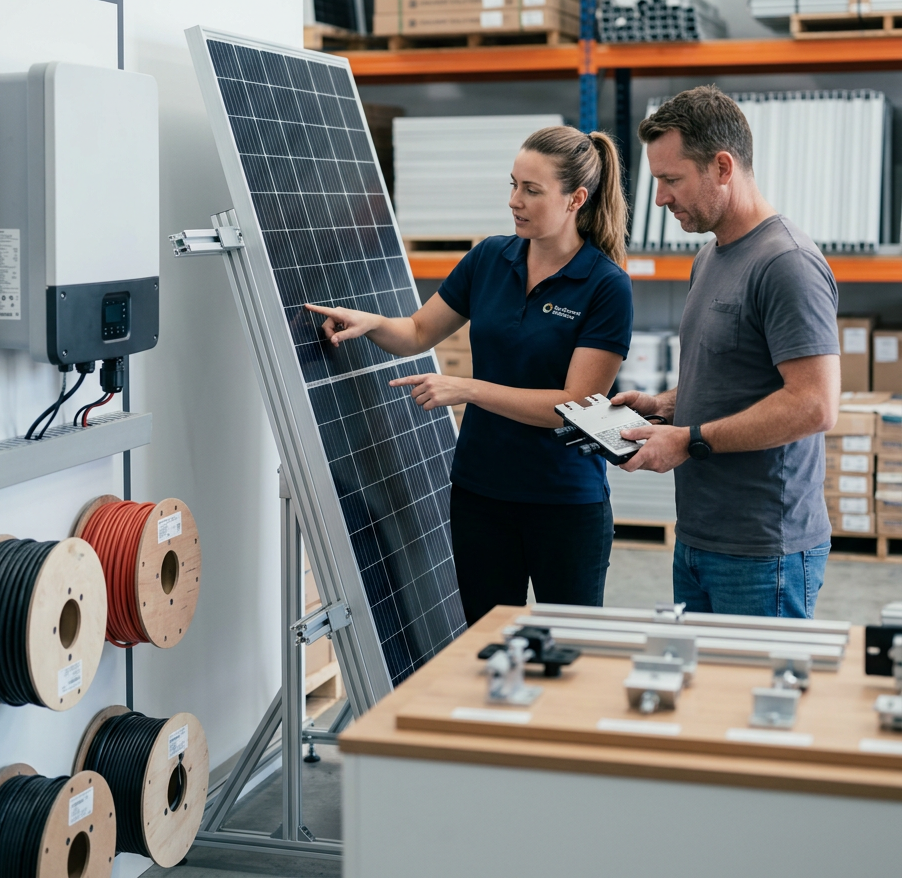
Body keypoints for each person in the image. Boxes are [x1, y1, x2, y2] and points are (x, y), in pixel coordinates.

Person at [307, 125, 633, 626]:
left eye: (531, 190)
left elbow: (575, 405)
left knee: (571, 655)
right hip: (481, 496)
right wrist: (370, 322)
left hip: (564, 505)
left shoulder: (605, 286)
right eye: (512, 184)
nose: (514, 201)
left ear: (576, 199)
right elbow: (417, 331)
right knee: (486, 650)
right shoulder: (490, 258)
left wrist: (468, 389)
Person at [614, 86, 839, 618]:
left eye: (672, 180)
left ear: (721, 166)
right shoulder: (710, 257)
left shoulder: (786, 263)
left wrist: (689, 440)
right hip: (700, 537)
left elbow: (814, 405)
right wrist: (665, 404)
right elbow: (734, 376)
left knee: (754, 698)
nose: (661, 199)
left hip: (765, 550)